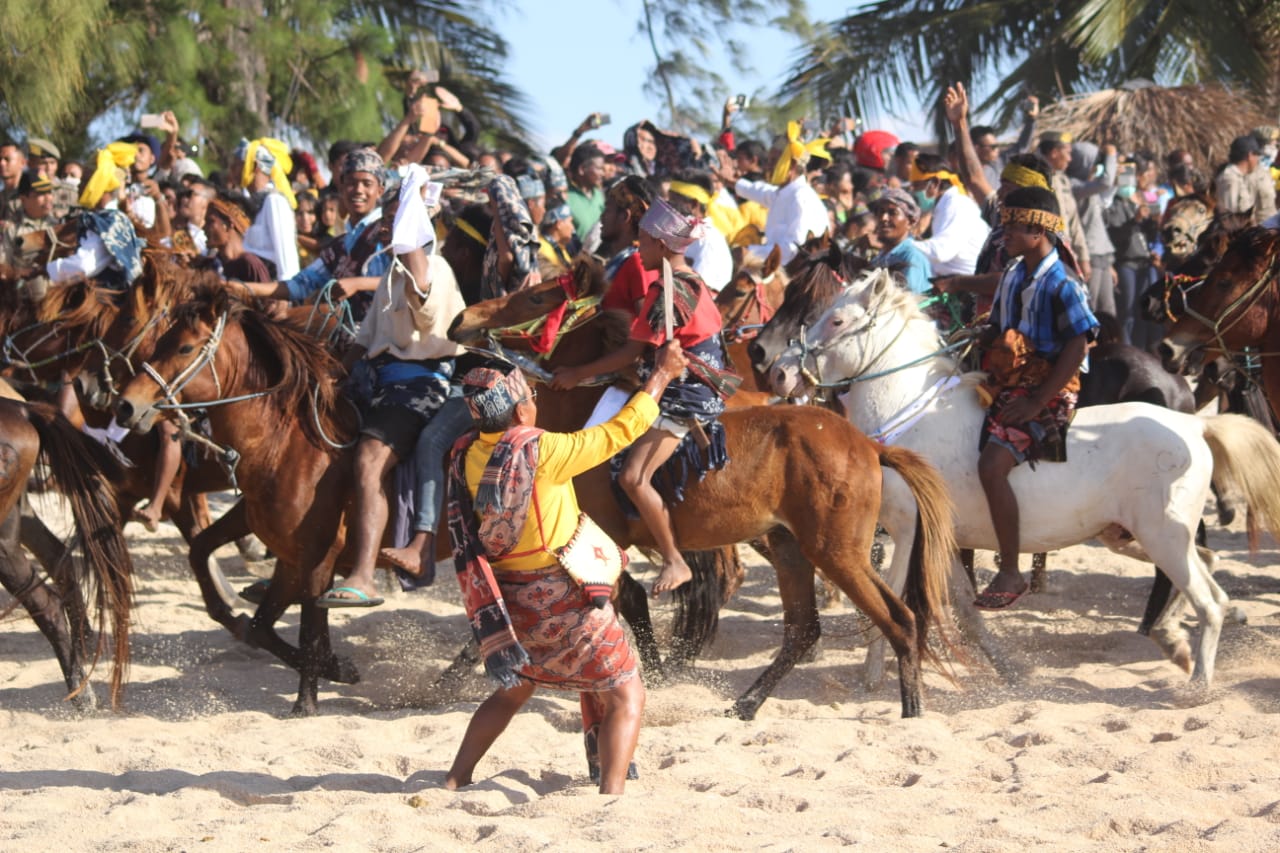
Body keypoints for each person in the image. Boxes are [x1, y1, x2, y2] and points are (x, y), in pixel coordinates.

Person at [443, 340, 688, 795]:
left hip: (508, 604)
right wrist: (662, 376)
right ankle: (611, 796)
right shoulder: (544, 453)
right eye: (530, 398)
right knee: (625, 692)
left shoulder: (465, 454)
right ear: (520, 413)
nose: (535, 403)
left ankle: (455, 779)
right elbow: (620, 430)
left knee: (513, 690)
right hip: (566, 600)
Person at [550, 198, 739, 595]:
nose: (639, 249)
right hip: (692, 381)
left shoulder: (668, 290)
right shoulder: (692, 281)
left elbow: (629, 353)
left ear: (663, 246)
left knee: (635, 477)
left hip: (687, 392)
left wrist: (576, 373)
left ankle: (674, 560)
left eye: (645, 242)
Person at [317, 166, 467, 607]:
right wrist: (330, 379)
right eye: (387, 218)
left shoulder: (432, 269)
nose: (385, 226)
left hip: (419, 387)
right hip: (378, 383)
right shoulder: (389, 273)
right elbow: (364, 340)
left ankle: (363, 577)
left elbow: (422, 302)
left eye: (393, 218)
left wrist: (411, 211)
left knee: (368, 460)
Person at [973, 187, 1098, 610]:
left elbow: (1079, 345)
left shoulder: (1063, 282)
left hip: (1050, 387)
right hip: (1011, 376)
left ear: (1038, 229)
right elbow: (998, 324)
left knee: (991, 466)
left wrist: (1036, 401)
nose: (1002, 233)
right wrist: (980, 340)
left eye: (1010, 226)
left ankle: (1010, 570)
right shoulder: (1012, 271)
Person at [241, 147, 390, 321]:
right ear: (341, 187)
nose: (358, 189)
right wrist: (244, 288)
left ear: (380, 190)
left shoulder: (389, 231)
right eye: (351, 183)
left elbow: (411, 281)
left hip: (384, 340)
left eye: (367, 183)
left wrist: (358, 284)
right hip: (345, 340)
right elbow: (301, 284)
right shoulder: (340, 245)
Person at [720, 121, 830, 263]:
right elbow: (760, 192)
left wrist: (750, 251)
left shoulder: (801, 198)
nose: (767, 166)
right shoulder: (784, 192)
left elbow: (794, 250)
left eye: (774, 161)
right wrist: (731, 182)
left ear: (792, 165)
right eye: (769, 160)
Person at [908, 153, 990, 276]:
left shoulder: (956, 205)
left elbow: (941, 251)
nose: (914, 191)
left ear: (935, 183)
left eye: (917, 185)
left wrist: (899, 244)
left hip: (967, 287)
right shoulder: (943, 206)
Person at [237, 137, 301, 280]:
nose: (232, 171)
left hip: (271, 292)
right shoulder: (251, 202)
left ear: (256, 167)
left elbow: (287, 260)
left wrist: (286, 294)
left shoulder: (274, 201)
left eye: (238, 165)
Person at [598, 175, 657, 318]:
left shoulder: (639, 262)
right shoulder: (621, 260)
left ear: (625, 216)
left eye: (608, 209)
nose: (602, 217)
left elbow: (648, 326)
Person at [1037, 132, 1092, 281]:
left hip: (1066, 253)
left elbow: (1074, 222)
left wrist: (1083, 256)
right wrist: (1066, 248)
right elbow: (1047, 223)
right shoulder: (1036, 179)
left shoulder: (1062, 180)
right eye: (1067, 153)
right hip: (1048, 256)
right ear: (1054, 153)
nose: (1070, 159)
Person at [667, 170, 733, 293]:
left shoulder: (708, 241)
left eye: (673, 201)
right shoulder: (680, 232)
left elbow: (696, 292)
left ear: (693, 204)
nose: (667, 207)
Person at [868, 189, 931, 294]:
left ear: (910, 222)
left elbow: (906, 303)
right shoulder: (879, 257)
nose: (884, 218)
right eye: (881, 212)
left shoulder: (911, 256)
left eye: (892, 213)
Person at [1216, 134, 1267, 224]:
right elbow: (1229, 218)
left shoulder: (1239, 177)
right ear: (1250, 155)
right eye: (1257, 155)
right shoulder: (1230, 179)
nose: (1258, 160)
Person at [566, 144, 607, 242]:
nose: (603, 173)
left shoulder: (599, 195)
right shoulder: (565, 197)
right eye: (599, 168)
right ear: (582, 169)